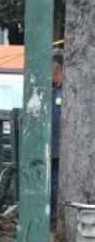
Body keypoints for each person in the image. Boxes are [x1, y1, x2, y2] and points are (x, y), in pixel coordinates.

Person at [51, 55, 65, 226]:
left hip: (63, 149)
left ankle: (56, 218)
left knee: (57, 184)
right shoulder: (47, 89)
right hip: (47, 147)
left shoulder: (67, 90)